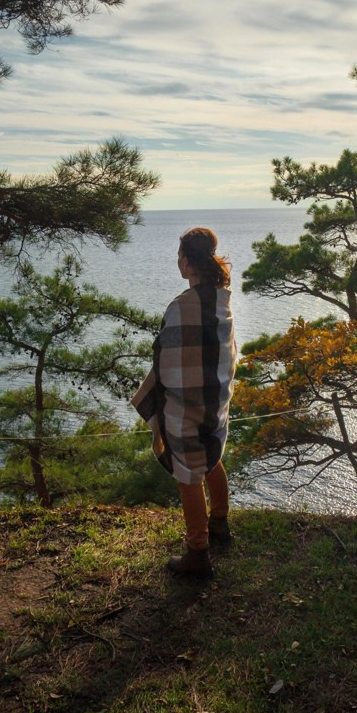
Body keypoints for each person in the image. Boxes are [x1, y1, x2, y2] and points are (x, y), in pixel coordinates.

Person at [131, 227, 237, 579]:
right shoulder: (223, 300)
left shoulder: (180, 306)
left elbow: (168, 361)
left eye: (179, 256)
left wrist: (163, 395)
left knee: (188, 475)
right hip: (215, 397)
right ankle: (219, 522)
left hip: (186, 403)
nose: (177, 262)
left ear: (187, 262)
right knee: (211, 456)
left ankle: (198, 552)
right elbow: (225, 353)